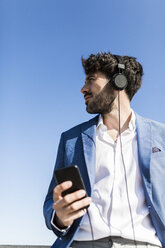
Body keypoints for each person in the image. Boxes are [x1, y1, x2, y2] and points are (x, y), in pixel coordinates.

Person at [43, 52, 165, 248]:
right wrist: (60, 217)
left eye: (91, 80)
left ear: (118, 81)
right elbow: (51, 200)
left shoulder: (161, 136)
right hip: (83, 243)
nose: (83, 89)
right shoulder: (71, 139)